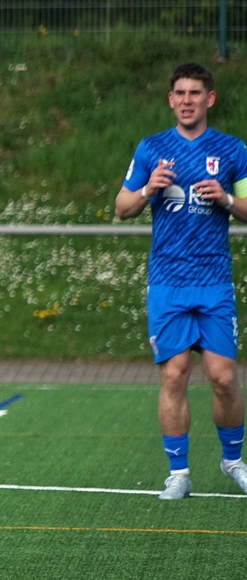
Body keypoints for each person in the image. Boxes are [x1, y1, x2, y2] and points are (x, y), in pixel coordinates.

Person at [116, 63, 247, 500]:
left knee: (223, 378)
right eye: (180, 93)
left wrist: (227, 199)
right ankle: (179, 474)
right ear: (170, 99)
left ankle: (233, 462)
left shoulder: (231, 150)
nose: (187, 100)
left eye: (196, 93)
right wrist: (147, 189)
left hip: (213, 282)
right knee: (173, 376)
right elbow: (122, 207)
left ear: (210, 99)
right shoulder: (151, 148)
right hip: (167, 283)